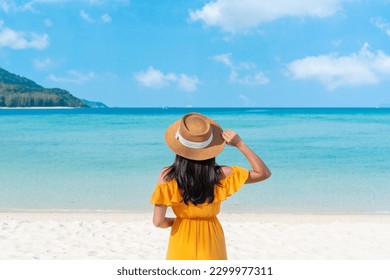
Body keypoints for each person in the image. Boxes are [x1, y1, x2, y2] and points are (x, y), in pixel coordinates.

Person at [150, 112, 271, 260]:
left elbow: (158, 222)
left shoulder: (167, 176)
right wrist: (240, 144)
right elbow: (263, 173)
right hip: (212, 238)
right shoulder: (222, 174)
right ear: (210, 147)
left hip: (181, 238)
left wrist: (178, 221)